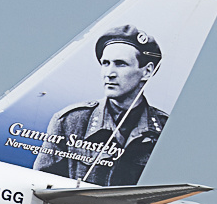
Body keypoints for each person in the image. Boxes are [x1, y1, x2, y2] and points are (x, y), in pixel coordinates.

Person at [35, 25, 168, 186]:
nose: (109, 73)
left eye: (120, 64)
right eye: (105, 63)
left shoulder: (164, 129)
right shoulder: (70, 121)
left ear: (147, 72)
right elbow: (39, 183)